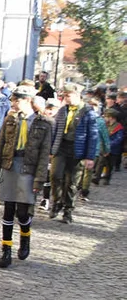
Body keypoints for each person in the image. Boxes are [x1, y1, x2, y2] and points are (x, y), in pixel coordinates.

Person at [0, 85, 53, 268]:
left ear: (27, 100)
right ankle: (6, 251)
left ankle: (25, 236)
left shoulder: (43, 123)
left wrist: (40, 179)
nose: (13, 103)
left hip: (28, 169)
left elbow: (44, 153)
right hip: (10, 166)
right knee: (8, 209)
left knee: (23, 212)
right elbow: (0, 147)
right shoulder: (10, 120)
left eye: (16, 100)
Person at [49, 83, 98, 224]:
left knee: (72, 182)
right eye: (64, 96)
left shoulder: (88, 112)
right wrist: (51, 149)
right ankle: (57, 202)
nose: (66, 98)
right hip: (61, 148)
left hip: (78, 151)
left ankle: (68, 210)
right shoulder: (62, 110)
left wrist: (89, 157)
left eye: (68, 96)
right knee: (55, 176)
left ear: (77, 96)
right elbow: (55, 130)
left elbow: (92, 136)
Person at [99, 108, 123, 184]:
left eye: (106, 116)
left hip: (113, 150)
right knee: (101, 163)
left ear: (111, 117)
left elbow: (118, 139)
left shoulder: (119, 127)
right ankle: (96, 177)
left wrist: (109, 145)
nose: (104, 118)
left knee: (109, 165)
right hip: (104, 149)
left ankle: (107, 178)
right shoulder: (105, 125)